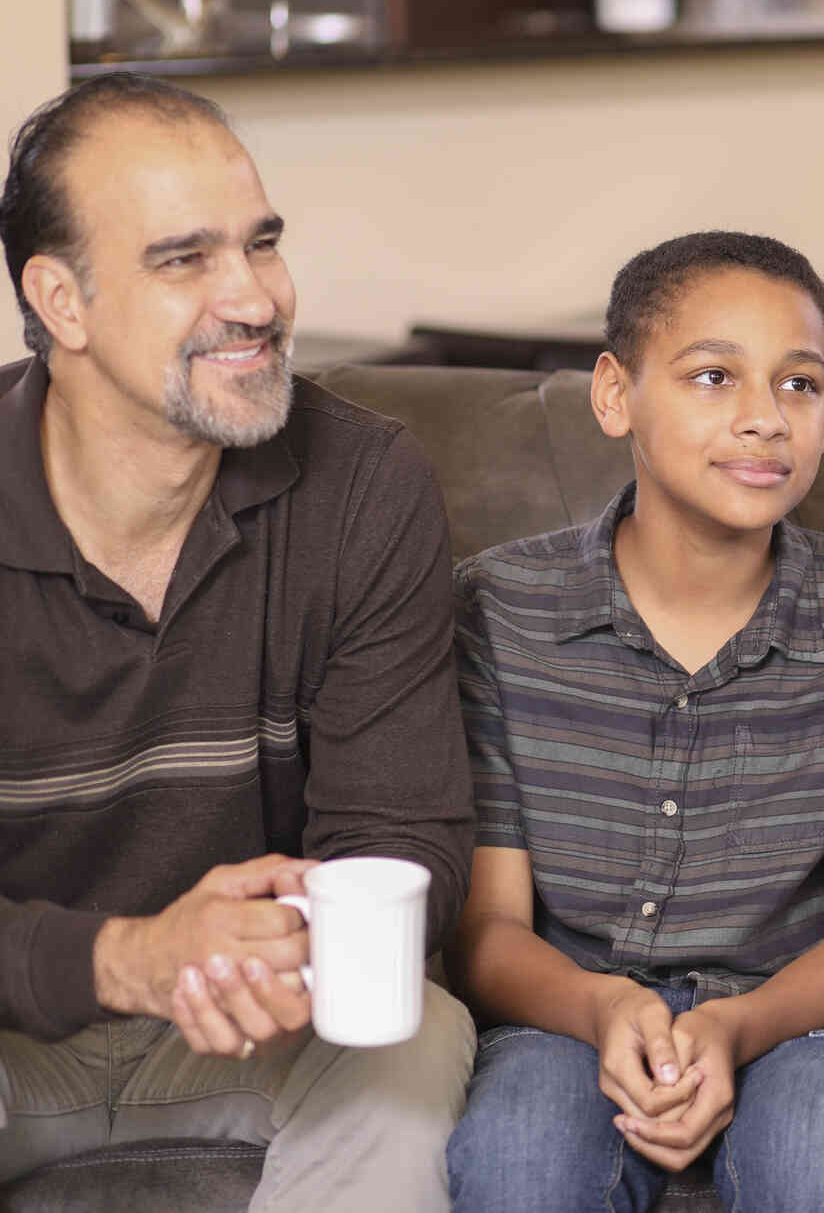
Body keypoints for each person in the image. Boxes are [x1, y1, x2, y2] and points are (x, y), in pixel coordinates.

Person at [0, 73, 475, 1211]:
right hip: (15, 1038)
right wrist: (130, 955)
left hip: (253, 1033)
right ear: (60, 301)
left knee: (418, 1040)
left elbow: (410, 838)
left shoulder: (364, 483)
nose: (256, 298)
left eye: (261, 245)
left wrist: (285, 945)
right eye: (185, 260)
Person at [444, 232, 824, 1213]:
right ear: (614, 393)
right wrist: (607, 1005)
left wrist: (737, 1025)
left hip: (809, 1020)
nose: (764, 418)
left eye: (800, 385)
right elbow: (488, 931)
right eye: (714, 376)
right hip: (568, 1012)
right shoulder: (497, 607)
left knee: (817, 1140)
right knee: (520, 1149)